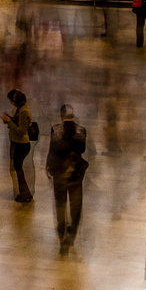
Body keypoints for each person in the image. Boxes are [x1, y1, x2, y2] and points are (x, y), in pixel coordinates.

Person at [45, 104, 89, 252]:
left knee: (60, 203)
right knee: (76, 204)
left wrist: (49, 166)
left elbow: (52, 150)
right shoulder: (81, 130)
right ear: (73, 115)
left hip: (59, 173)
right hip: (75, 173)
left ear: (61, 115)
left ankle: (61, 230)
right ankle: (72, 233)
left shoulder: (55, 130)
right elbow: (82, 149)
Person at [2, 89, 33, 202]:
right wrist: (9, 118)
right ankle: (24, 192)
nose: (11, 103)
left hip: (21, 144)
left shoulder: (24, 111)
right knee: (18, 168)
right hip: (18, 143)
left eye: (11, 101)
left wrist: (9, 122)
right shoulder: (21, 108)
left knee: (18, 169)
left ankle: (25, 193)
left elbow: (21, 130)